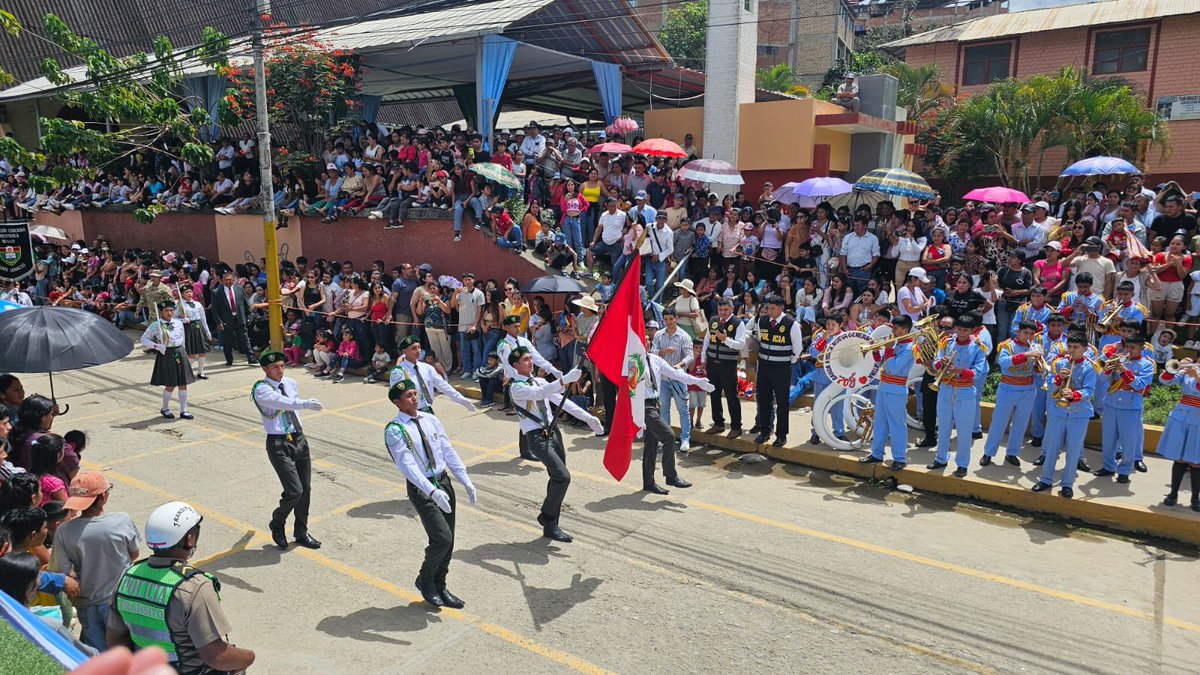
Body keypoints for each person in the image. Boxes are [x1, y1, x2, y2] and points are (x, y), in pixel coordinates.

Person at [107, 501, 255, 673]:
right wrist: (249, 657)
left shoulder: (127, 576)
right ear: (190, 539)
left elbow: (116, 639)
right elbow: (216, 656)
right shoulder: (194, 587)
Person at [384, 380, 477, 608]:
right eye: (408, 396)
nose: (415, 398)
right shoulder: (395, 430)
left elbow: (447, 450)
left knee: (449, 539)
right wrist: (431, 491)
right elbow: (408, 466)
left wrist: (465, 479)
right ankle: (425, 581)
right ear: (397, 402)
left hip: (443, 482)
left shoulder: (431, 420)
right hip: (422, 488)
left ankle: (440, 584)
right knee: (441, 538)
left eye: (415, 394)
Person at [508, 348, 602, 542]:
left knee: (556, 478)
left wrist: (588, 418)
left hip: (553, 433)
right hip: (536, 437)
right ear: (516, 366)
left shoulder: (540, 381)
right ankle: (547, 516)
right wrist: (565, 379)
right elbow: (539, 393)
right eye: (525, 360)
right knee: (563, 477)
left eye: (530, 359)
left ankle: (551, 525)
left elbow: (561, 401)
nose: (530, 362)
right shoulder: (516, 387)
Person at [50, 472, 142, 651]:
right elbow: (134, 554)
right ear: (103, 497)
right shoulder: (121, 521)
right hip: (120, 601)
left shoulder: (64, 530)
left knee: (97, 655)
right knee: (125, 653)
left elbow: (60, 571)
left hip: (86, 604)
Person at [251, 351, 324, 551]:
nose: (280, 370)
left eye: (282, 366)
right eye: (275, 367)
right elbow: (281, 402)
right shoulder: (261, 389)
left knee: (306, 490)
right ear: (265, 369)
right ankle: (278, 521)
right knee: (294, 491)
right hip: (278, 443)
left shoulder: (290, 383)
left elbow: (292, 406)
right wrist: (304, 404)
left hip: (298, 438)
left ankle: (301, 531)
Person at [640, 351, 714, 494]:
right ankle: (671, 475)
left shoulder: (655, 359)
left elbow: (675, 374)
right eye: (643, 339)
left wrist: (697, 381)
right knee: (669, 436)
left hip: (655, 404)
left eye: (648, 339)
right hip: (642, 406)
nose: (646, 342)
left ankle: (648, 482)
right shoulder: (631, 360)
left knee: (651, 444)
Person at [1032, 335, 1097, 498]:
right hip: (1057, 411)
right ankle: (1046, 479)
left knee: (1073, 449)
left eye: (1076, 347)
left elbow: (1090, 390)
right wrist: (1059, 377)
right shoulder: (1059, 363)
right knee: (1052, 446)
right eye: (1070, 347)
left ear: (1085, 349)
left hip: (1079, 413)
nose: (1072, 351)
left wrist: (1074, 394)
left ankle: (1067, 483)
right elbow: (1050, 386)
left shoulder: (1090, 367)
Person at [930, 314, 987, 477]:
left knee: (964, 430)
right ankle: (940, 458)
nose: (961, 333)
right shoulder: (946, 343)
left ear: (972, 331)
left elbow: (977, 372)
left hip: (965, 392)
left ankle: (962, 464)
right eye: (959, 329)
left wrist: (959, 371)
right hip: (946, 389)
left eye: (965, 330)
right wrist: (941, 363)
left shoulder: (977, 348)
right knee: (943, 427)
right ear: (955, 328)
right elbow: (936, 362)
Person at [980, 321, 1041, 468]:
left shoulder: (1037, 347)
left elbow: (1039, 371)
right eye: (1025, 333)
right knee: (999, 422)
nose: (1028, 337)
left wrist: (1039, 365)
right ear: (1018, 332)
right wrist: (1026, 355)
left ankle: (1012, 453)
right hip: (1009, 388)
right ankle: (988, 453)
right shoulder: (1007, 345)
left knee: (1020, 423)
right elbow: (1004, 362)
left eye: (1032, 334)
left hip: (1028, 389)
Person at [1094, 335, 1154, 483]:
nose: (1129, 350)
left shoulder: (1147, 364)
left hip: (1130, 406)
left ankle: (1125, 470)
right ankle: (1108, 466)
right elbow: (1101, 379)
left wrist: (1123, 371)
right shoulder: (1118, 358)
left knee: (1128, 441)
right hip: (1111, 403)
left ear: (1142, 348)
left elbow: (1140, 385)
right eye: (1127, 347)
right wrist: (1108, 369)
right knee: (1108, 438)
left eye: (1133, 348)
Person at [859, 315, 915, 470]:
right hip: (884, 387)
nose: (893, 331)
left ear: (905, 330)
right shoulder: (896, 344)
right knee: (880, 423)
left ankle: (900, 458)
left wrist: (888, 349)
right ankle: (877, 453)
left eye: (896, 329)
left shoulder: (911, 348)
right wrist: (876, 352)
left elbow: (894, 368)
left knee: (897, 425)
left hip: (896, 390)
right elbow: (881, 364)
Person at [753, 295, 804, 447]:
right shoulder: (762, 321)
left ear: (781, 309)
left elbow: (797, 349)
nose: (769, 311)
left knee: (782, 403)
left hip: (782, 369)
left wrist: (785, 361)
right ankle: (764, 431)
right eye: (768, 308)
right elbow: (760, 341)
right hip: (764, 367)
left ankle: (781, 435)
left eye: (773, 309)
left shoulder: (791, 324)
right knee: (763, 400)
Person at [388, 335, 476, 414]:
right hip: (411, 412)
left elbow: (443, 385)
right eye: (414, 348)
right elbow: (396, 395)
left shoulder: (427, 368)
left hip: (428, 410)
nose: (418, 351)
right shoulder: (399, 371)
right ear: (405, 352)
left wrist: (461, 399)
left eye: (419, 347)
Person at [1157, 358, 1200, 511]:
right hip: (1182, 416)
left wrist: (1197, 376)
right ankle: (1173, 494)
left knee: (1196, 462)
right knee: (1180, 459)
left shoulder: (1194, 372)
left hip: (1198, 420)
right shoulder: (1189, 370)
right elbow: (1165, 381)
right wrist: (1174, 368)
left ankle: (1195, 498)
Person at [700, 298, 747, 438]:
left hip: (728, 365)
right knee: (714, 394)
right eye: (720, 310)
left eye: (726, 310)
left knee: (731, 395)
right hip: (712, 363)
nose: (723, 312)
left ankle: (736, 426)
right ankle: (718, 423)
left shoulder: (738, 323)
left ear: (732, 309)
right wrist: (703, 359)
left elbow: (741, 344)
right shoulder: (714, 320)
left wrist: (725, 340)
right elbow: (707, 340)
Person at [140, 302, 195, 420]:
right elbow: (144, 339)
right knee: (171, 384)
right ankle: (165, 408)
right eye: (166, 311)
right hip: (166, 353)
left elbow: (182, 338)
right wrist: (156, 346)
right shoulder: (156, 325)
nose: (169, 313)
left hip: (180, 353)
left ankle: (183, 410)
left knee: (183, 383)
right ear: (161, 313)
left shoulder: (178, 323)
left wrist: (185, 352)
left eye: (171, 310)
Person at [651, 308, 695, 452]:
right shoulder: (658, 335)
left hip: (678, 379)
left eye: (671, 319)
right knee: (663, 410)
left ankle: (685, 438)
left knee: (683, 410)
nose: (669, 322)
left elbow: (690, 356)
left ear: (676, 318)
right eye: (666, 319)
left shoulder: (684, 336)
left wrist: (680, 364)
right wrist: (663, 352)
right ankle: (666, 438)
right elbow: (652, 353)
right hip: (662, 379)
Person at [807, 312, 846, 445]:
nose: (830, 327)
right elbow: (813, 353)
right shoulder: (820, 335)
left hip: (838, 377)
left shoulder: (845, 337)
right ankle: (816, 432)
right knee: (818, 405)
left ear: (840, 325)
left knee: (838, 406)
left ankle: (839, 432)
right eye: (828, 324)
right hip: (822, 375)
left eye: (833, 325)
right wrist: (823, 339)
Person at [211, 271, 254, 366]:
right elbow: (215, 309)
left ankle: (251, 358)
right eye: (226, 280)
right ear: (222, 281)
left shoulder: (239, 289)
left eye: (230, 280)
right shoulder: (217, 292)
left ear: (234, 280)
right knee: (228, 341)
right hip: (226, 320)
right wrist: (219, 322)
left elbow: (245, 303)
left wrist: (249, 315)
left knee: (245, 339)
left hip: (240, 318)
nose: (228, 282)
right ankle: (229, 360)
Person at [177, 286, 212, 380]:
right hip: (188, 328)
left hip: (198, 327)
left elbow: (203, 318)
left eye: (190, 292)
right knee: (191, 354)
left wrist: (207, 330)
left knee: (202, 351)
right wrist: (182, 319)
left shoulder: (197, 304)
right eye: (186, 292)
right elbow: (174, 318)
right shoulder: (179, 305)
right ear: (182, 294)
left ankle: (200, 372)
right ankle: (185, 372)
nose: (189, 294)